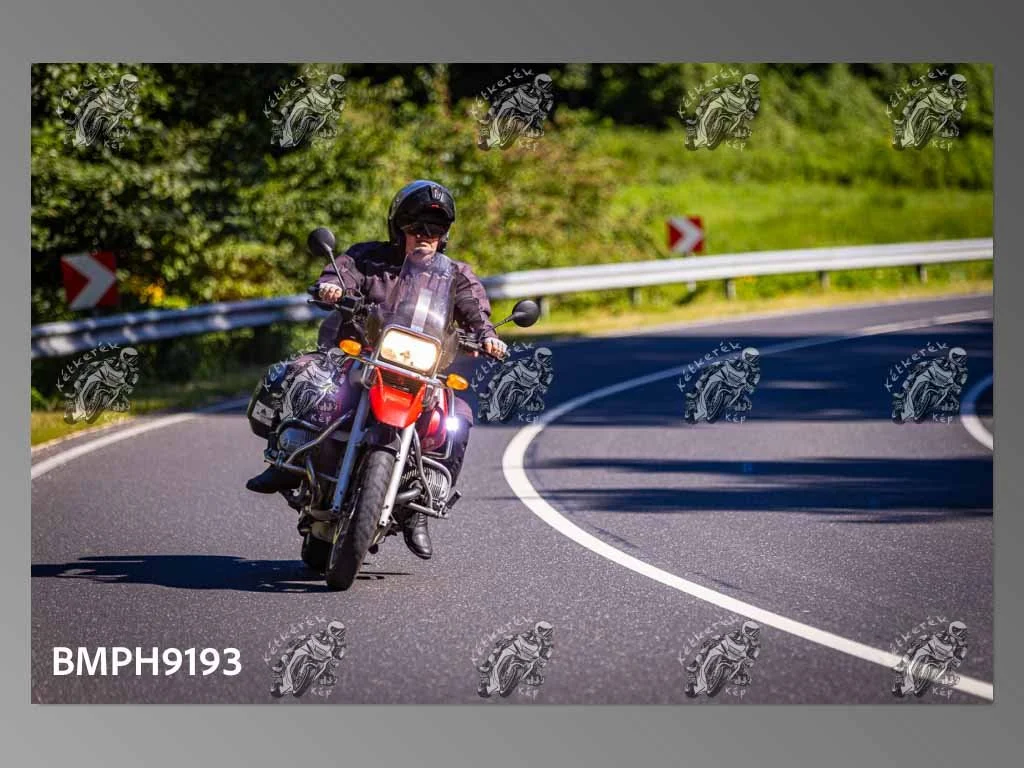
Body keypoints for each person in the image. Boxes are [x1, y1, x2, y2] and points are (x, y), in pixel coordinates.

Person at [246, 180, 508, 561]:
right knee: (306, 375)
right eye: (417, 227)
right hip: (363, 357)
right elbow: (341, 273)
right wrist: (332, 287)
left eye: (435, 229)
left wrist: (487, 336)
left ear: (445, 235)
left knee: (457, 417)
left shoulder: (454, 275)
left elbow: (475, 311)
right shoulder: (368, 257)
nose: (425, 235)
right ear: (398, 228)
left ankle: (419, 509)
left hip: (420, 370)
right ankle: (286, 461)